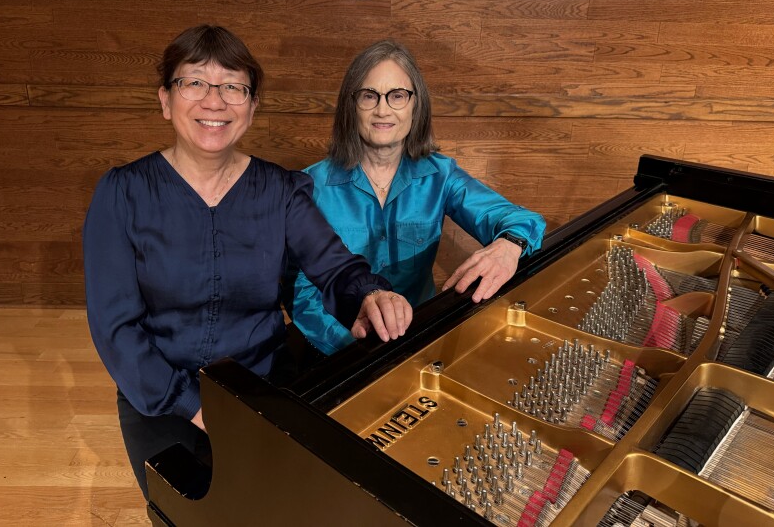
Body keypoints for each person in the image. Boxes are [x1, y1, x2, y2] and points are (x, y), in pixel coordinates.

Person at [82, 25, 412, 499]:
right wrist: (194, 406)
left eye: (233, 86)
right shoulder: (123, 192)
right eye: (194, 82)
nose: (214, 101)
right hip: (159, 395)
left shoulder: (280, 190)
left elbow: (334, 267)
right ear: (164, 99)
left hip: (263, 388)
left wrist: (369, 296)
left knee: (291, 502)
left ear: (252, 107)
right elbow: (115, 329)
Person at [288, 39, 545, 355]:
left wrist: (509, 246)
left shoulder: (441, 175)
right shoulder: (310, 185)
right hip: (341, 349)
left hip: (419, 339)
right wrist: (352, 348)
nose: (383, 109)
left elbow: (519, 219)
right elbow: (301, 295)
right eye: (369, 96)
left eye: (397, 96)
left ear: (415, 105)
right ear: (350, 106)